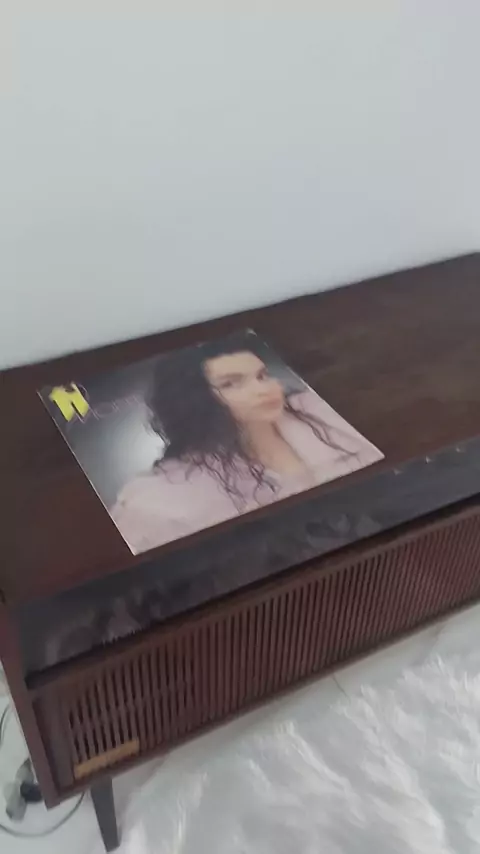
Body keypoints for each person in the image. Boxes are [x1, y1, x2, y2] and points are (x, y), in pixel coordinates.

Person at [111, 332, 383, 553]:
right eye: (232, 384)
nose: (263, 389)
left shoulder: (320, 413)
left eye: (262, 376)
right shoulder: (167, 495)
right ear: (195, 399)